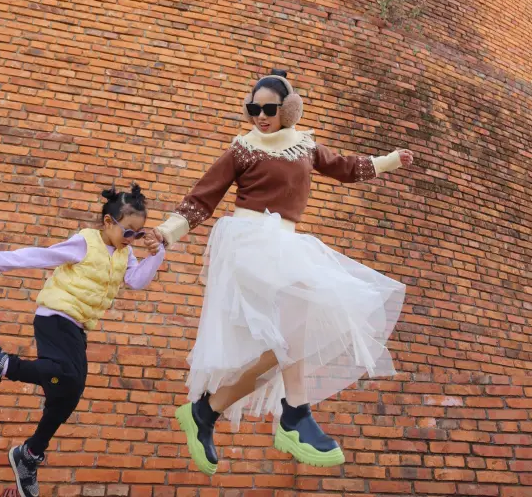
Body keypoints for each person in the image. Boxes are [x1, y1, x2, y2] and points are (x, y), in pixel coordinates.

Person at [153, 70, 413, 475]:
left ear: (288, 110)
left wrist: (390, 161)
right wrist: (168, 232)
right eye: (254, 109)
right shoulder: (242, 149)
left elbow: (344, 167)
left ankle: (205, 411)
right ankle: (295, 413)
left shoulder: (305, 145)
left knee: (282, 349)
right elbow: (204, 196)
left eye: (269, 109)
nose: (260, 116)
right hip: (250, 240)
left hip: (286, 243)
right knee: (299, 302)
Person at [0, 183, 164, 497]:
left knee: (70, 390)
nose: (132, 238)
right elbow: (41, 256)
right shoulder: (85, 242)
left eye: (138, 233)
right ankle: (0, 363)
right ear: (108, 222)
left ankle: (29, 455)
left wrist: (157, 253)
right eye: (128, 231)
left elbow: (136, 281)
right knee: (65, 375)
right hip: (54, 316)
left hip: (76, 328)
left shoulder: (126, 254)